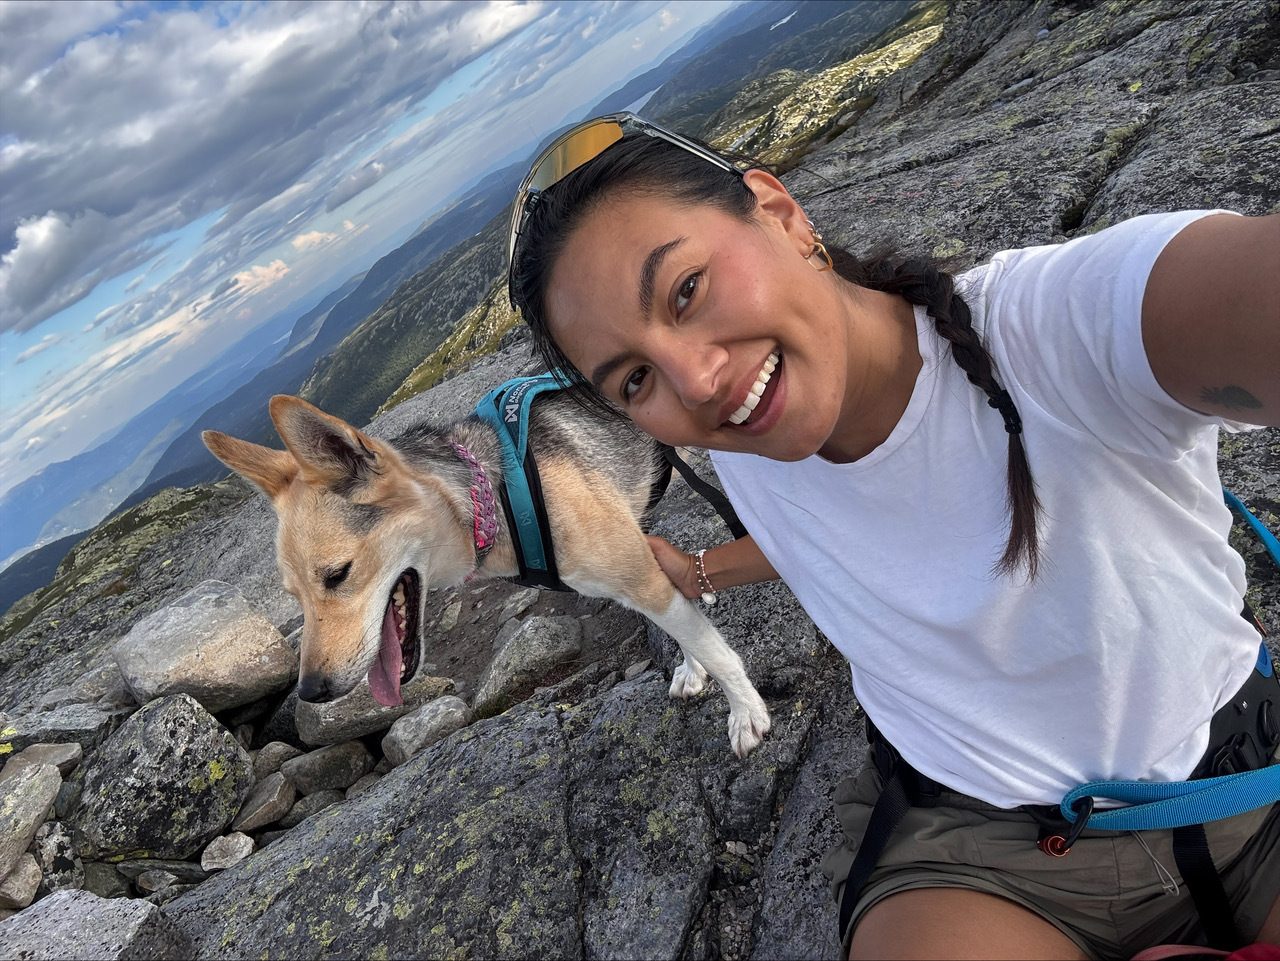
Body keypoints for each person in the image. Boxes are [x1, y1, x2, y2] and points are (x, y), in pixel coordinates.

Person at [506, 113, 1280, 960]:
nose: (696, 380)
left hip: (1234, 776)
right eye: (636, 377)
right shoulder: (755, 442)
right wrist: (700, 569)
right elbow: (836, 547)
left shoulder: (1055, 326)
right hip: (983, 849)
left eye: (686, 289)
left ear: (781, 214)